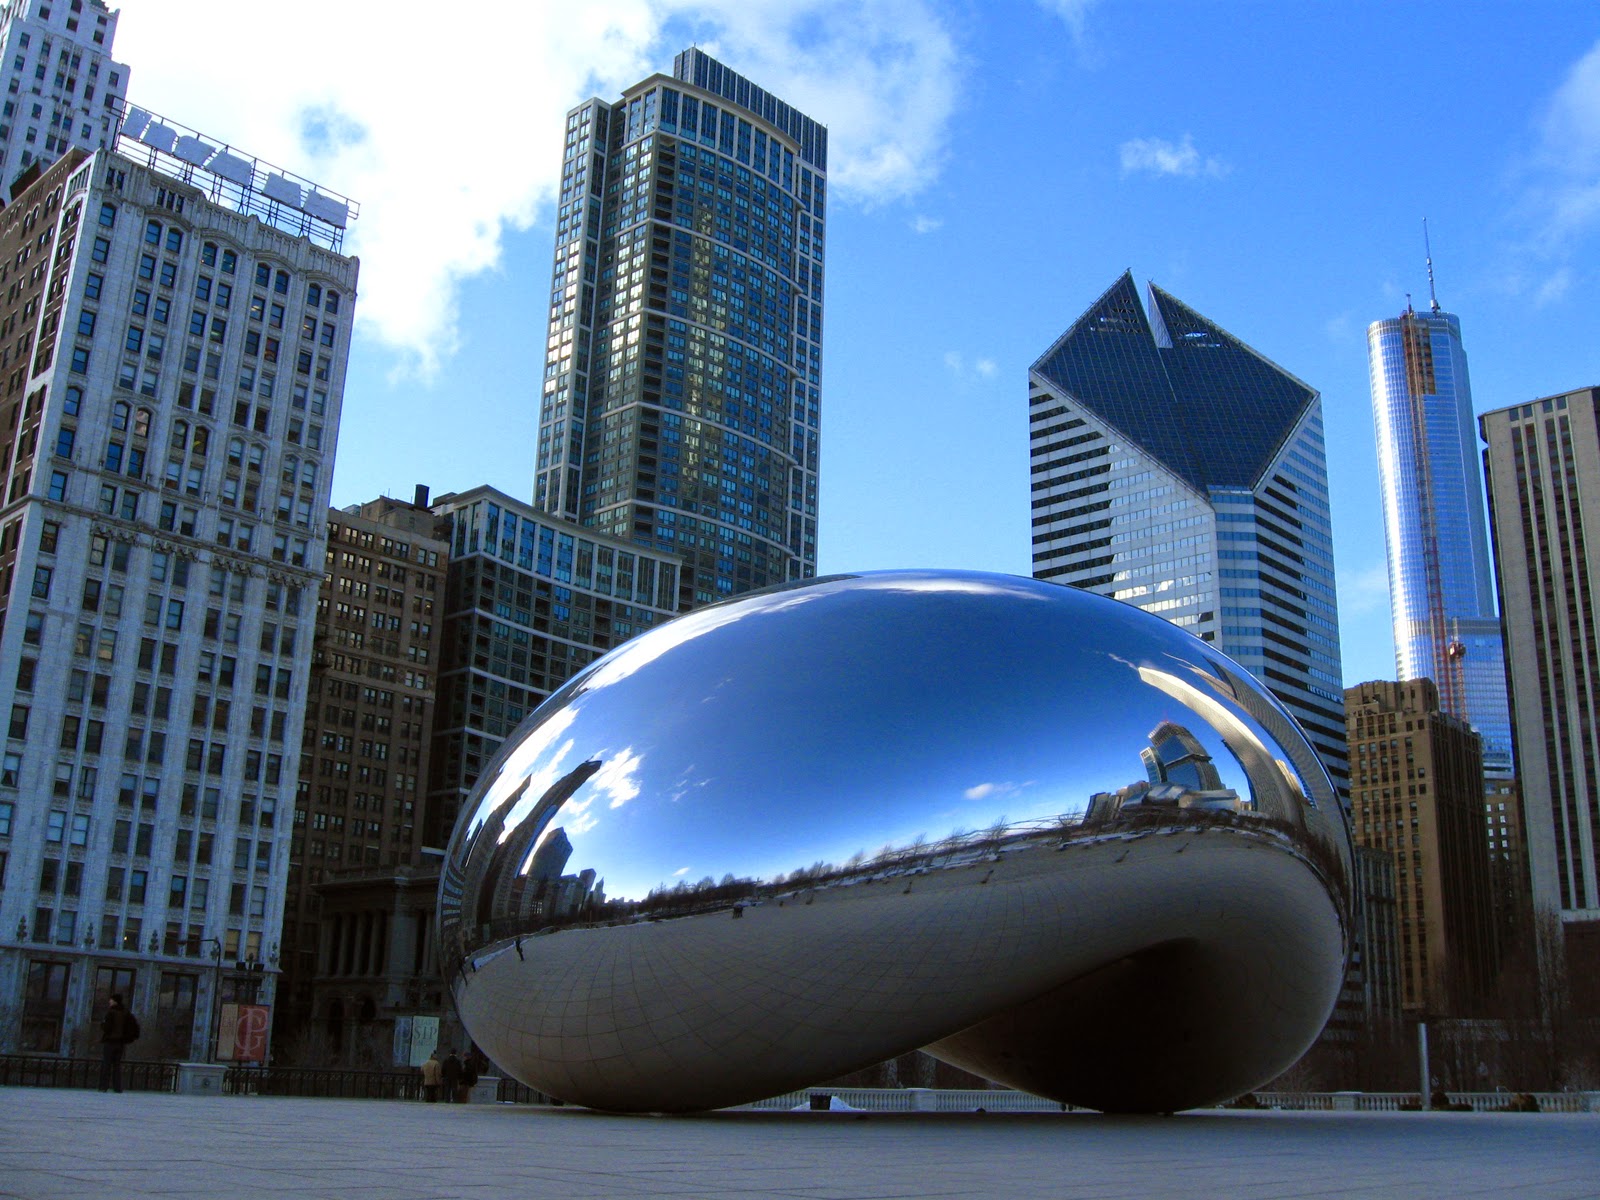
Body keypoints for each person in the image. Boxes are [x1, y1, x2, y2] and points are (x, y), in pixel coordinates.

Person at [99, 992, 132, 1093]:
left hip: (110, 1042)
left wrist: (103, 1025)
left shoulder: (111, 1013)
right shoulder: (125, 1013)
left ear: (115, 1001)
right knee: (117, 1066)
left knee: (106, 1065)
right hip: (120, 1043)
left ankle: (103, 1087)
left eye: (111, 1000)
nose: (109, 1001)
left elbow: (107, 1027)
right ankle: (117, 1087)